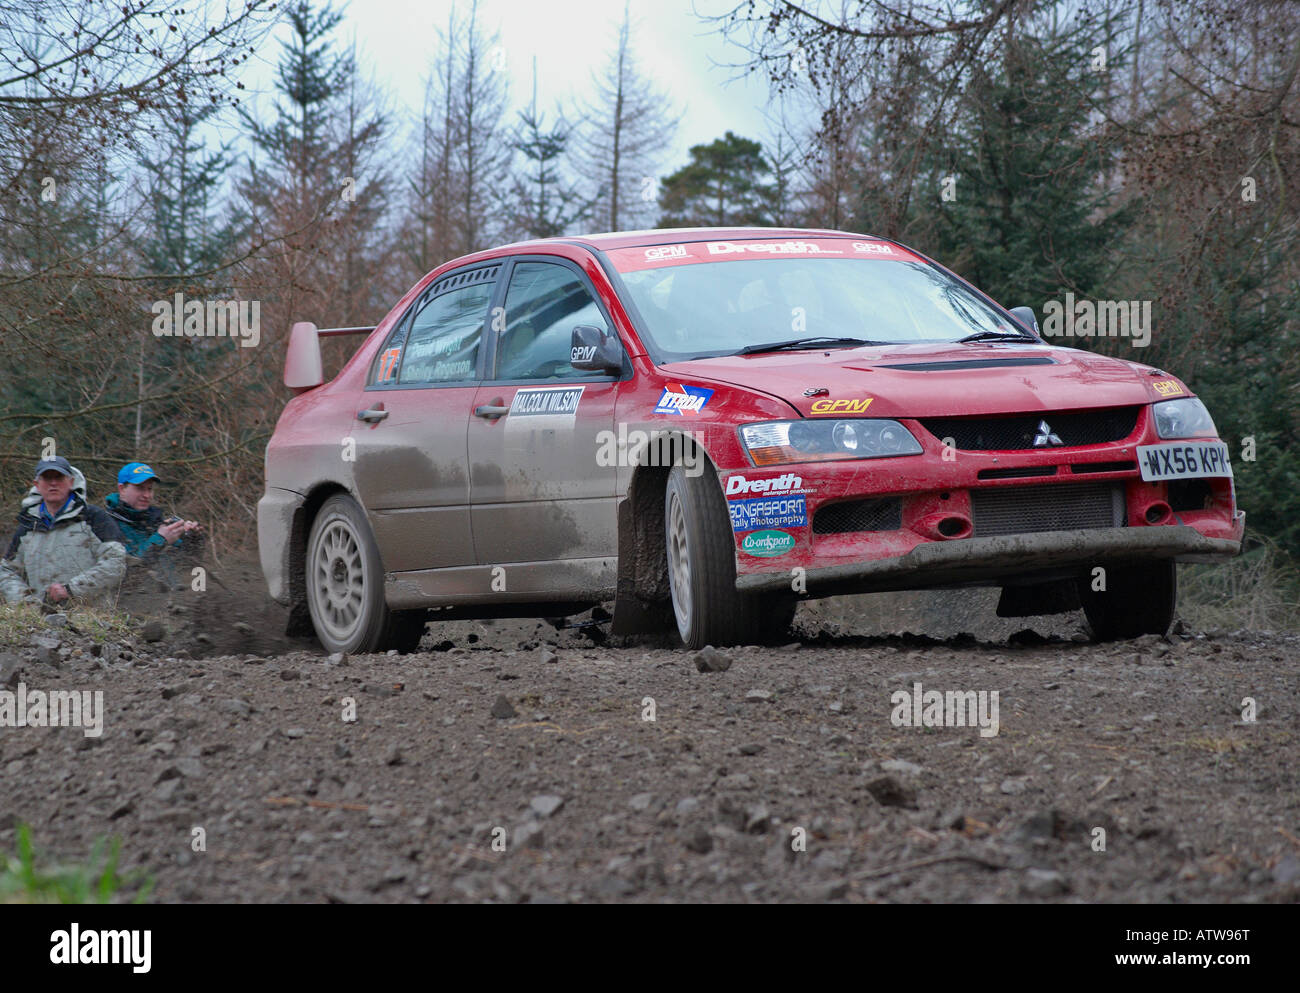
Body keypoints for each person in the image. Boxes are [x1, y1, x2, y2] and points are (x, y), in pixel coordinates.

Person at [0, 456, 126, 606]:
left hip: (91, 622)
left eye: (59, 477)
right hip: (41, 624)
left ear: (71, 482)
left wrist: (71, 590)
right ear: (37, 484)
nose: (53, 483)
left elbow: (116, 562)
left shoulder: (93, 517)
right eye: (47, 478)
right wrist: (26, 601)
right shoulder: (28, 526)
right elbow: (7, 571)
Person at [102, 462, 203, 561]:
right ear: (122, 489)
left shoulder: (155, 521)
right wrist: (161, 539)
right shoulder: (105, 526)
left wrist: (191, 538)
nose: (147, 495)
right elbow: (125, 570)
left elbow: (188, 564)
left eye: (149, 489)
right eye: (140, 488)